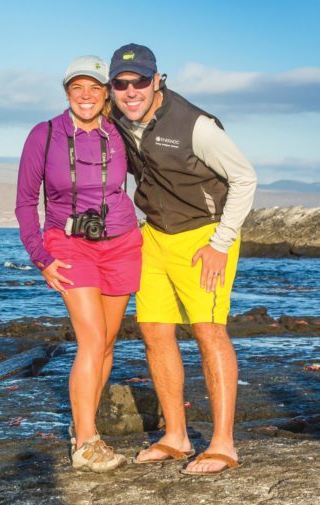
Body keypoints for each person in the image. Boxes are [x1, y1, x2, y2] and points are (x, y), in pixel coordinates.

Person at [108, 43, 257, 475]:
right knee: (154, 332)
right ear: (112, 87)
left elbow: (245, 177)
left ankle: (224, 445)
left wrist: (221, 242)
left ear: (158, 80)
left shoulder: (196, 125)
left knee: (209, 332)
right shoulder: (118, 117)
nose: (131, 90)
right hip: (153, 235)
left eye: (140, 81)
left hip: (203, 237)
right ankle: (175, 436)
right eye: (121, 83)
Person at [15, 56, 143, 472]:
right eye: (77, 88)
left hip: (122, 243)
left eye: (94, 88)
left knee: (107, 341)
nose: (86, 96)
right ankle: (87, 442)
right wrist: (41, 257)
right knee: (90, 340)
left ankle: (82, 425)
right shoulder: (45, 134)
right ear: (67, 92)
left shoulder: (121, 132)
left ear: (106, 92)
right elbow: (24, 203)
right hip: (68, 243)